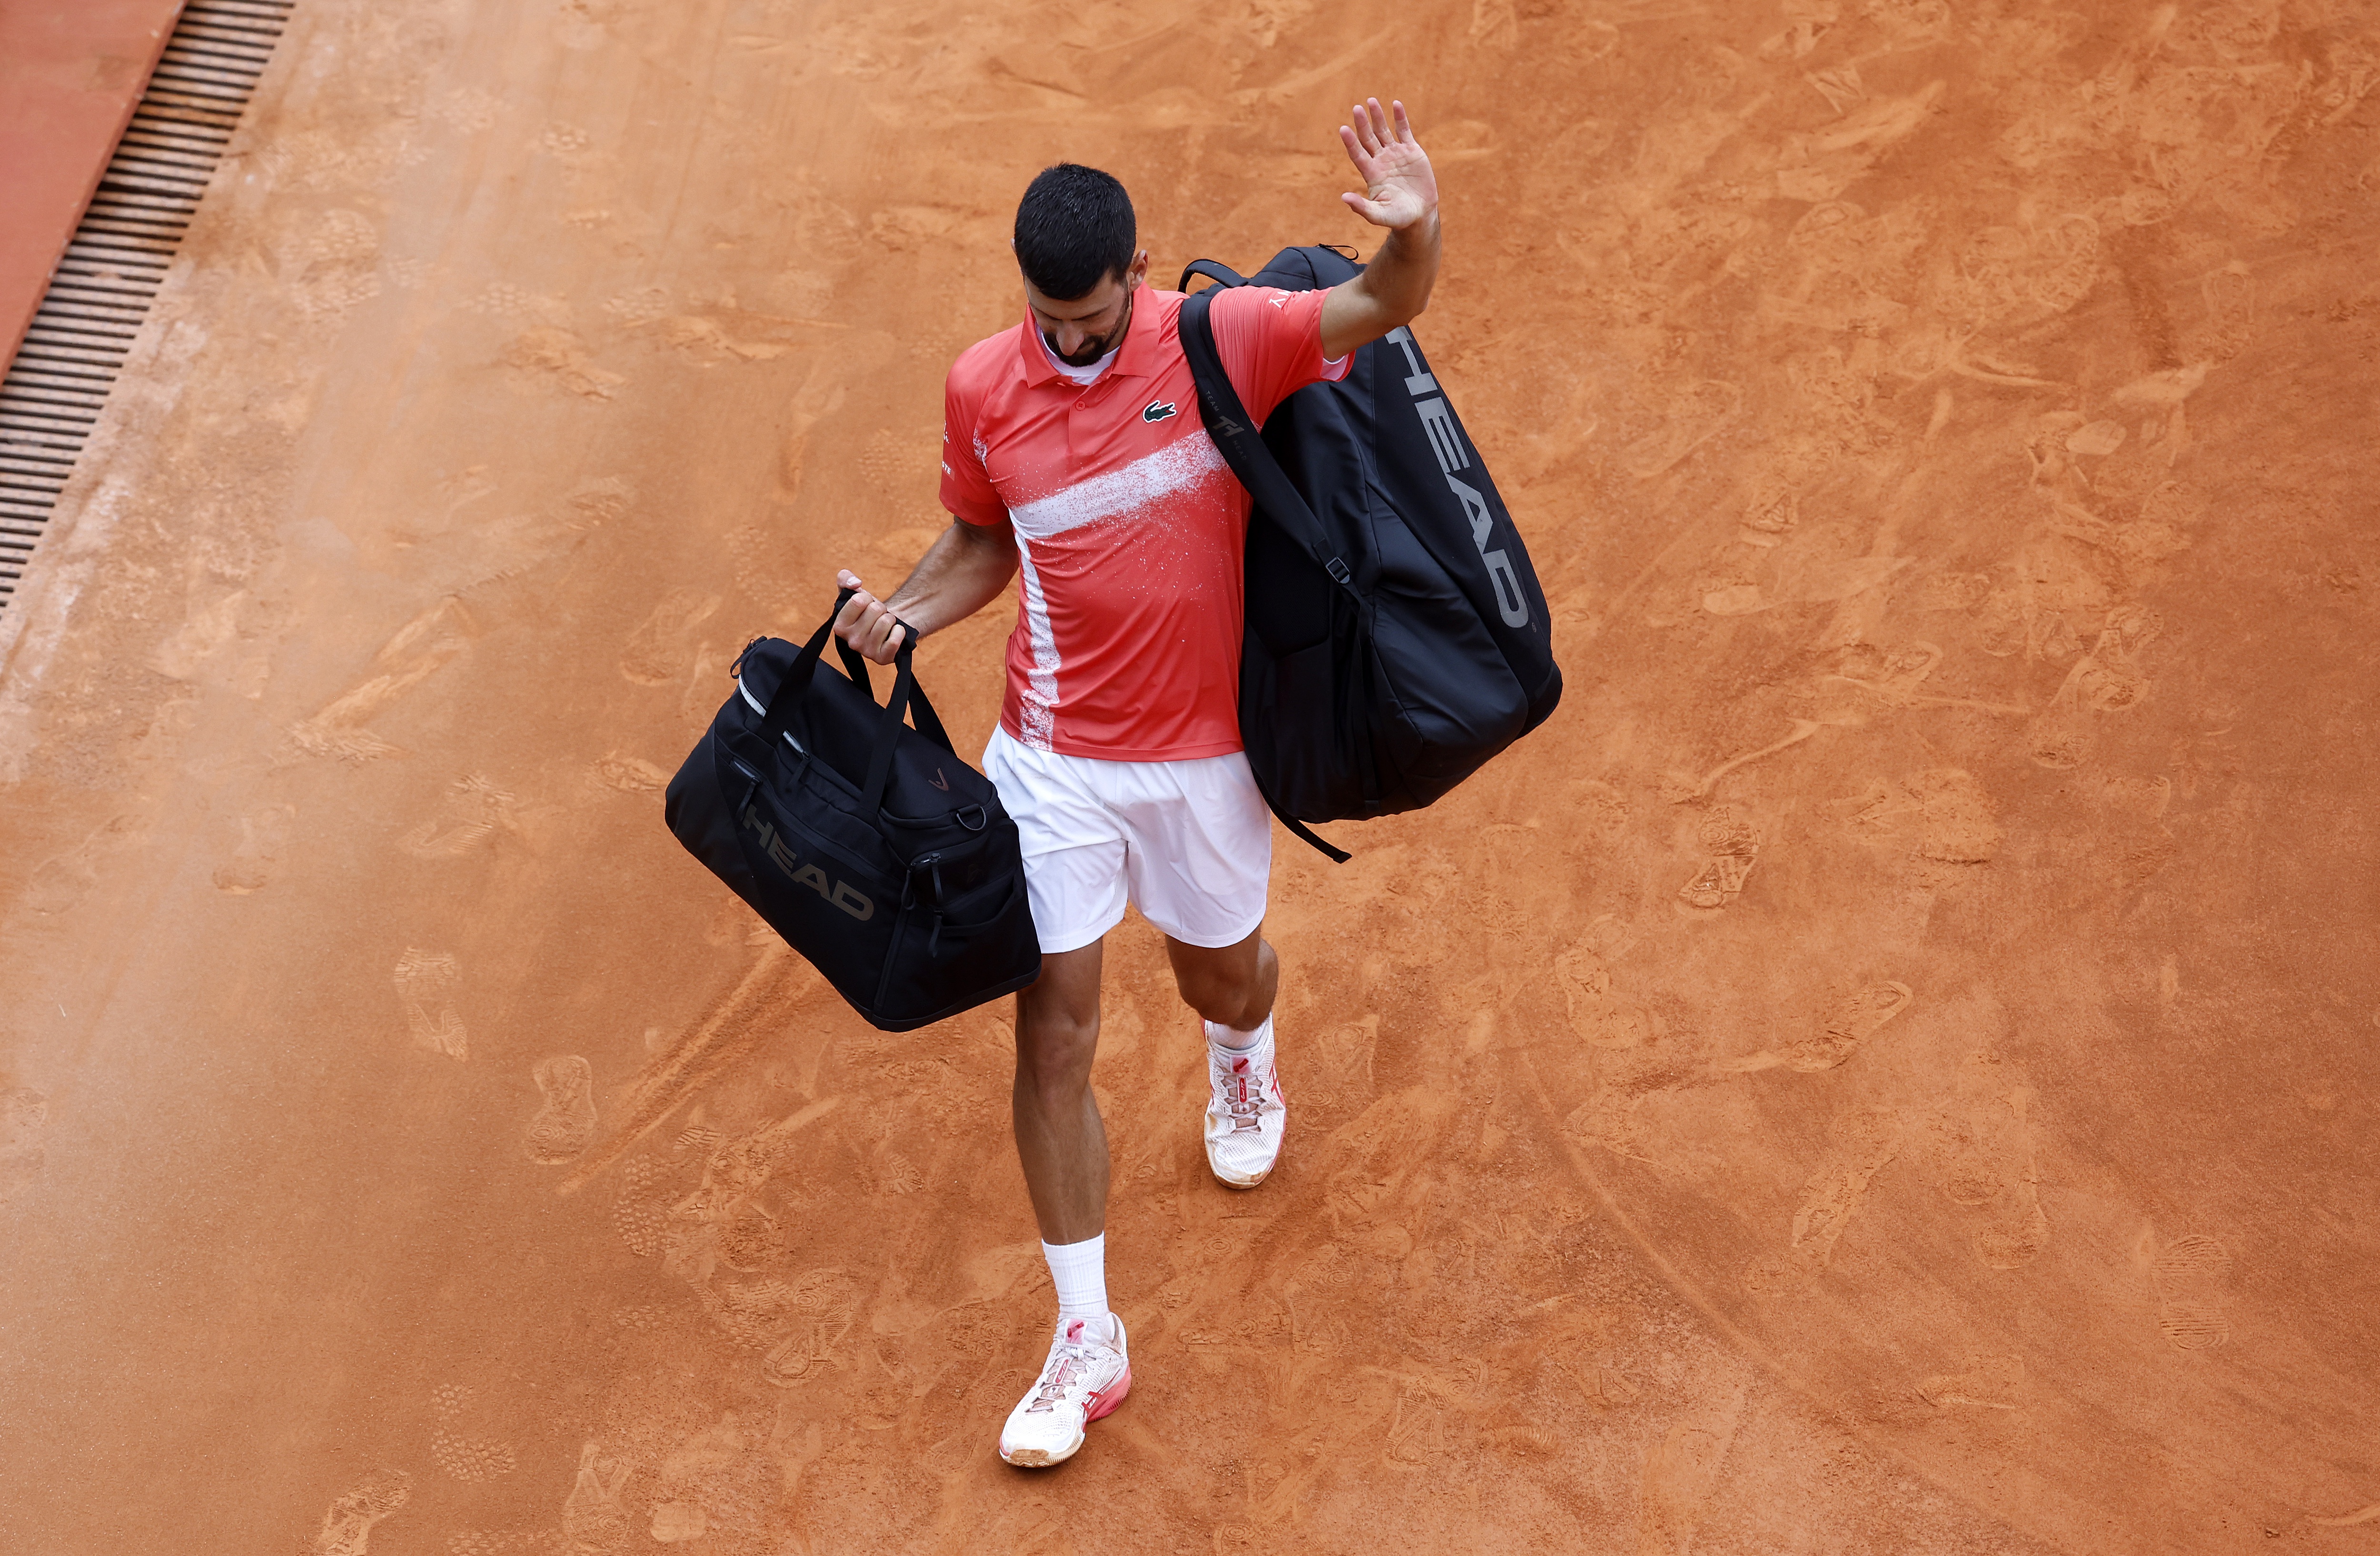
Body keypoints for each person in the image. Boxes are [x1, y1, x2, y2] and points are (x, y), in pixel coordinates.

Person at [832, 98, 1440, 1468]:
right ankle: (1086, 1336)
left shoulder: (1223, 340)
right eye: (1053, 321)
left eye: (1096, 320)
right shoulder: (985, 384)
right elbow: (983, 543)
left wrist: (1418, 227)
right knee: (1052, 1033)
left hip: (1203, 765)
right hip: (1052, 767)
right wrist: (906, 618)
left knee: (1223, 977)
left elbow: (1382, 303)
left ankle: (1242, 1057)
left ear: (1137, 275)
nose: (1073, 343)